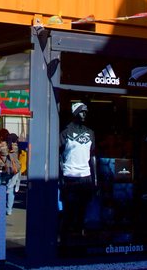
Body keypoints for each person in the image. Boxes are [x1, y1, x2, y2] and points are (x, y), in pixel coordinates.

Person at [60, 102, 96, 238]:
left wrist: (94, 179)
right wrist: (60, 176)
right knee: (69, 209)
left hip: (86, 176)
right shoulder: (66, 131)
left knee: (83, 209)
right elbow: (58, 153)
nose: (84, 114)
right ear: (74, 113)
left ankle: (80, 233)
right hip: (69, 175)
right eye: (81, 111)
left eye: (86, 112)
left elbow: (92, 156)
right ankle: (66, 236)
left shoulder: (90, 132)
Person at [5, 133, 22, 215]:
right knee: (10, 189)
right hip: (14, 169)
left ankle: (4, 207)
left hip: (6, 168)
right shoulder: (15, 146)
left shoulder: (5, 146)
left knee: (5, 187)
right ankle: (9, 209)